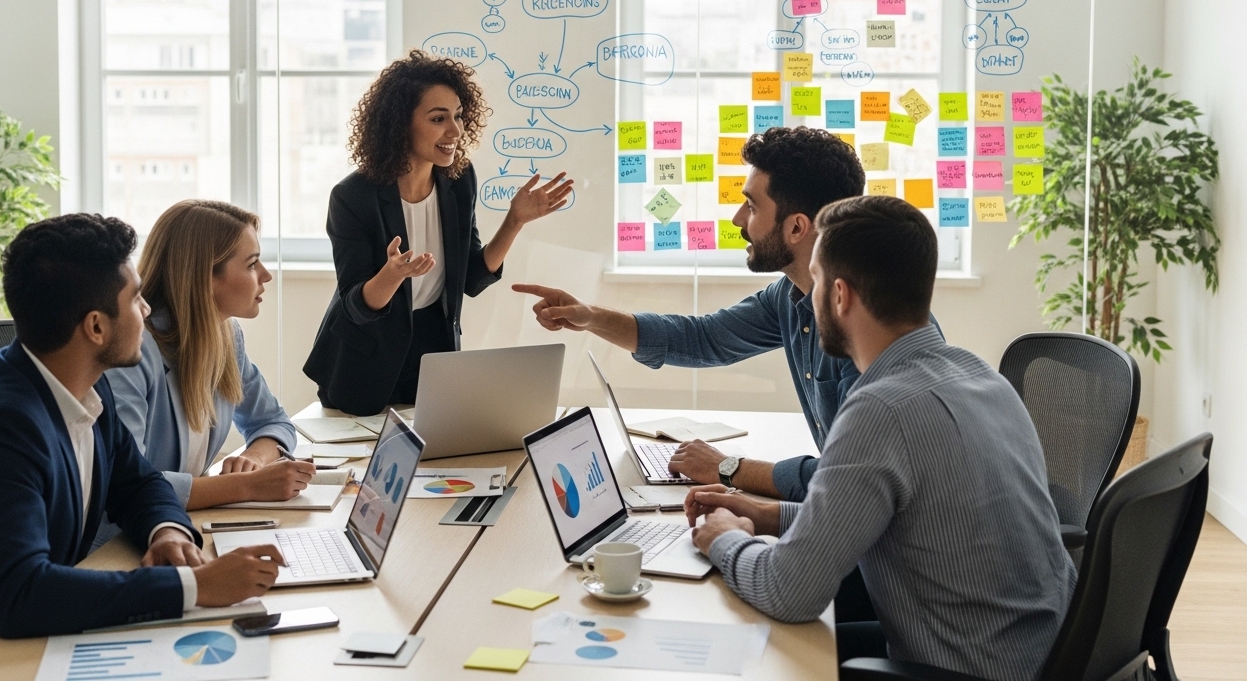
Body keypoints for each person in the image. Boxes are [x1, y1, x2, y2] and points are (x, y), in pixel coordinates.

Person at [687, 195, 1075, 679]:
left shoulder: (879, 411)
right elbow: (896, 518)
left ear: (841, 295)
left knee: (750, 651)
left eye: (818, 281)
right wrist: (769, 515)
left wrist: (724, 539)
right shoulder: (978, 375)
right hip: (1038, 654)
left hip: (964, 667)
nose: (808, 298)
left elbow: (790, 593)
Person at [0, 214, 284, 661]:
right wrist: (193, 585)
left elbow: (139, 483)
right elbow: (20, 594)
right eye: (135, 300)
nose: (147, 311)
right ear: (96, 327)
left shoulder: (86, 386)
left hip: (42, 637)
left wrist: (165, 532)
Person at [516, 126, 880, 501]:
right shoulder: (790, 296)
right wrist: (590, 316)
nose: (738, 220)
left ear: (797, 227)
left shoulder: (870, 326)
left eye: (752, 206)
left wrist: (728, 469)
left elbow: (852, 480)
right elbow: (703, 338)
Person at [304, 49, 574, 416]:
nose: (455, 130)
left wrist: (515, 221)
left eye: (459, 116)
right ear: (401, 124)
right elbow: (357, 306)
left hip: (432, 346)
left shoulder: (459, 181)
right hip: (364, 354)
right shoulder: (353, 197)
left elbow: (473, 278)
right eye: (438, 118)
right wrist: (392, 274)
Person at [95, 201, 314, 547]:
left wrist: (253, 459)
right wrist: (248, 486)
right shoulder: (133, 354)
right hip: (122, 543)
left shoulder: (226, 335)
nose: (266, 275)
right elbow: (127, 484)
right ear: (205, 277)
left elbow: (273, 421)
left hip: (183, 527)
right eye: (252, 263)